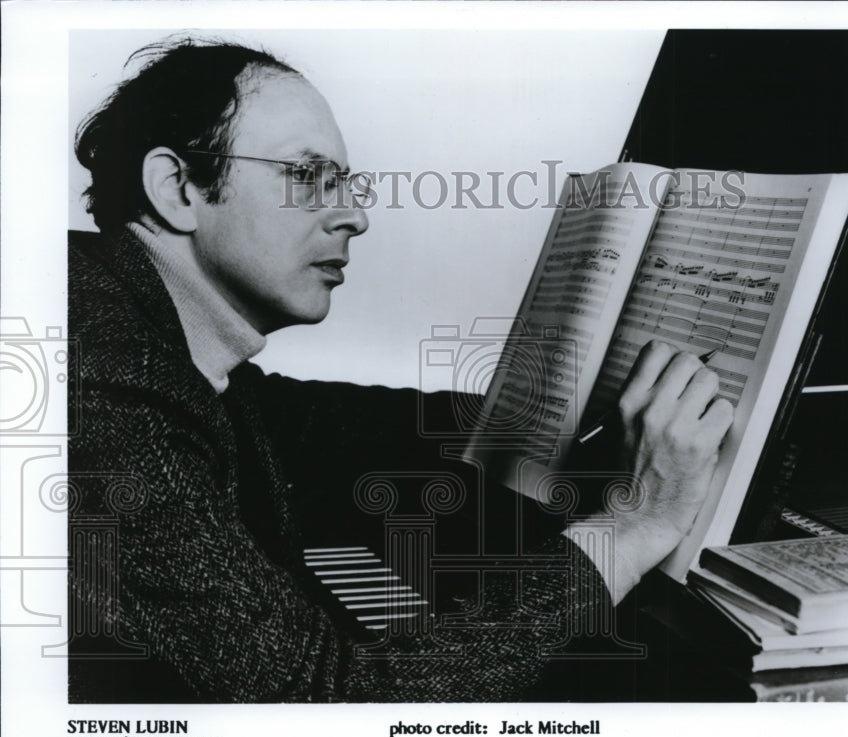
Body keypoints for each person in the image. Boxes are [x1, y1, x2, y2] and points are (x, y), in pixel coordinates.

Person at [68, 37, 733, 702]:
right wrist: (635, 525)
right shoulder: (101, 376)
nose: (354, 215)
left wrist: (568, 412)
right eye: (308, 177)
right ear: (178, 187)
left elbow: (311, 421)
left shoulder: (146, 339)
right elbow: (318, 700)